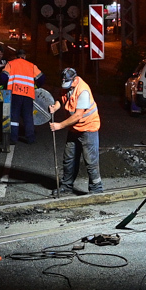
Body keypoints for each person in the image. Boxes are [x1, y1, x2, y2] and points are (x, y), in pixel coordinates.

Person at [48, 67, 103, 195]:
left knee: (90, 160)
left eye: (68, 83)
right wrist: (55, 107)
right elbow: (61, 98)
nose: (66, 86)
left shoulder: (83, 91)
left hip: (88, 128)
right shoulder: (67, 86)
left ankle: (96, 189)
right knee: (69, 158)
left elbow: (78, 115)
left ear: (75, 79)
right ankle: (66, 186)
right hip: (74, 129)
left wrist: (59, 126)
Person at [2, 49, 44, 144]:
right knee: (28, 116)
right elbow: (42, 78)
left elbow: (3, 77)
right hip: (28, 94)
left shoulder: (11, 64)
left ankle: (13, 138)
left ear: (16, 56)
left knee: (14, 116)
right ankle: (30, 138)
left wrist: (2, 85)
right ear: (25, 56)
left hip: (14, 93)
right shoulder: (31, 65)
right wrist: (37, 86)